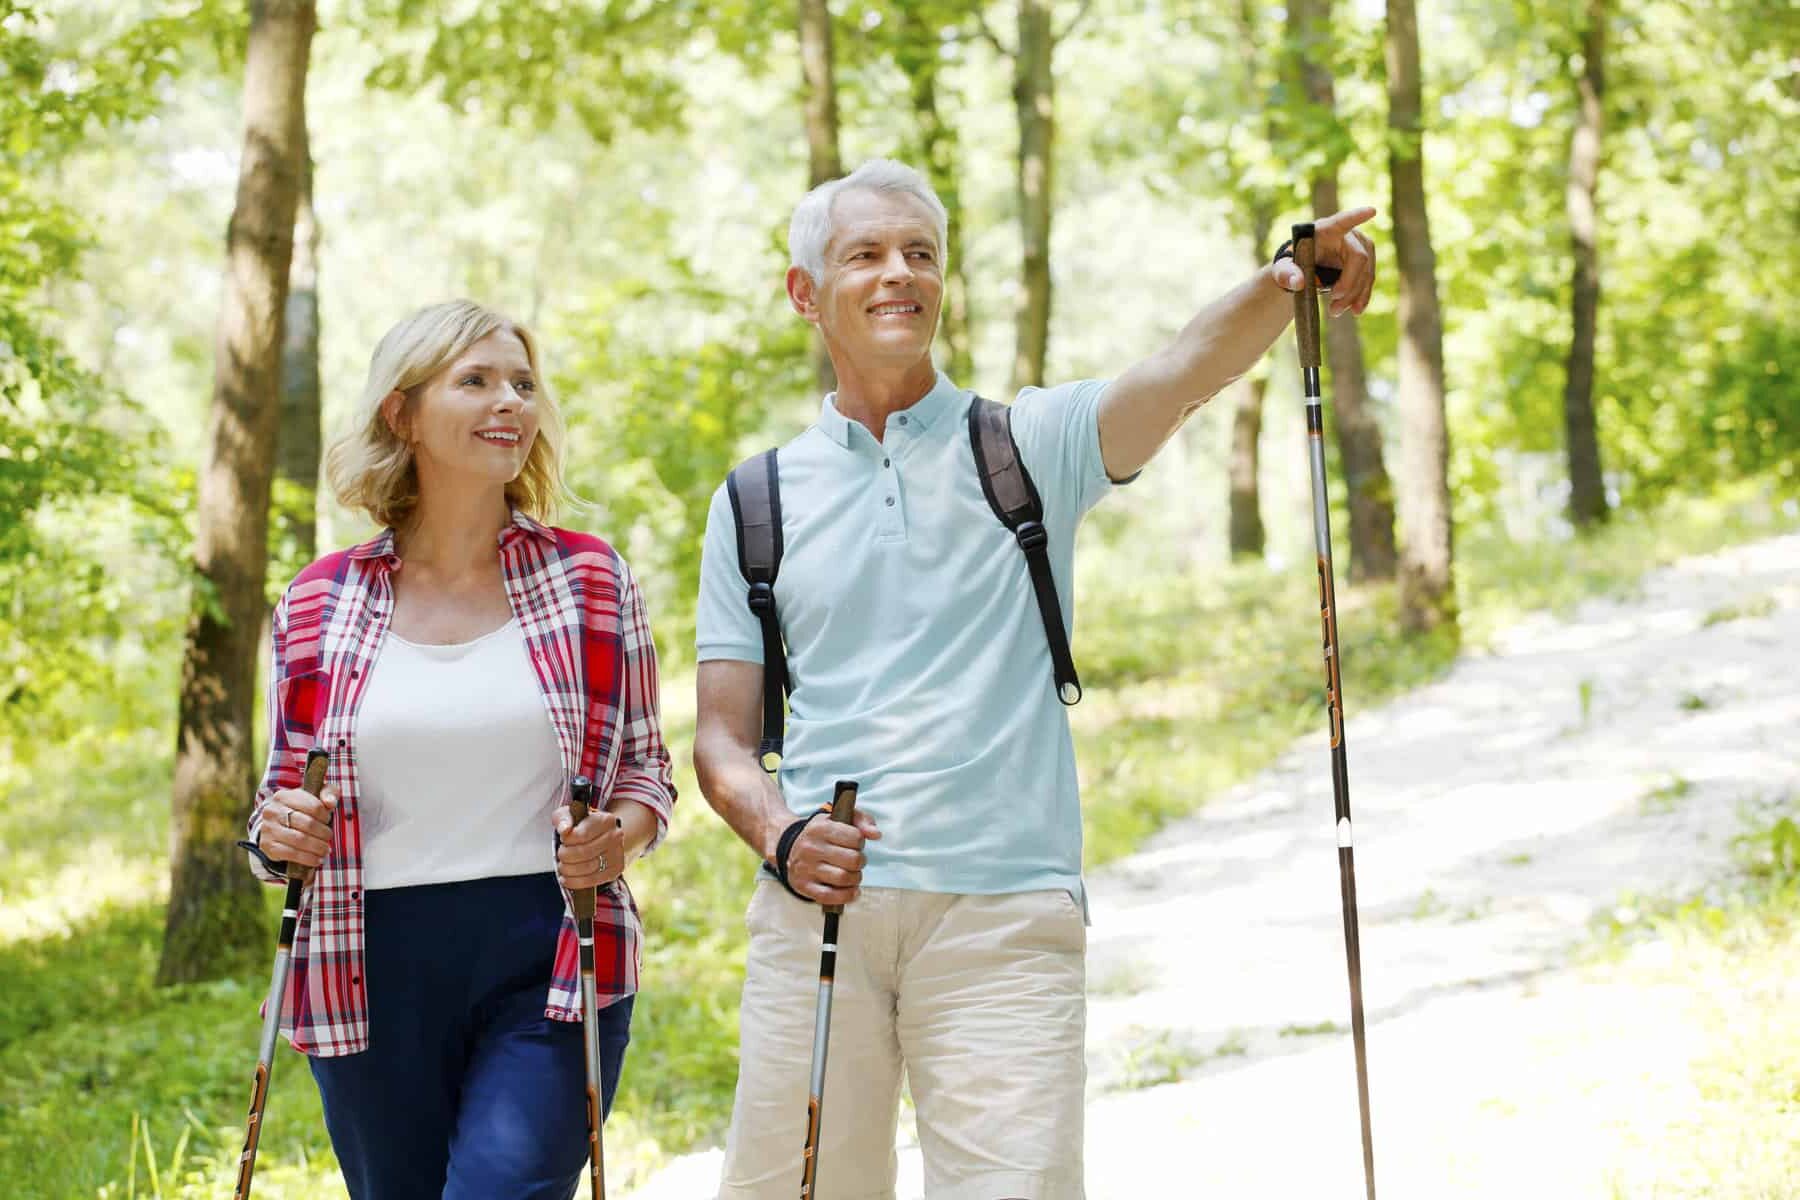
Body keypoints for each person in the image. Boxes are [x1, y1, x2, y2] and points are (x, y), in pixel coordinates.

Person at [692, 159, 1375, 1199]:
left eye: (921, 254)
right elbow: (722, 742)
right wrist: (781, 835)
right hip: (816, 917)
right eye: (866, 254)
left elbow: (1184, 368)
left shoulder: (1026, 444)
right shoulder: (756, 499)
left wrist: (1285, 280)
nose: (899, 275)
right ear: (805, 293)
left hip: (1003, 912)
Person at [245, 299, 675, 1199]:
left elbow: (643, 772)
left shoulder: (592, 580)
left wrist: (620, 839)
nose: (510, 402)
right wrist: (276, 832)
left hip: (551, 950)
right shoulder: (318, 604)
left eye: (523, 384)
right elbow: (282, 799)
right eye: (474, 381)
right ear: (402, 414)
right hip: (367, 961)